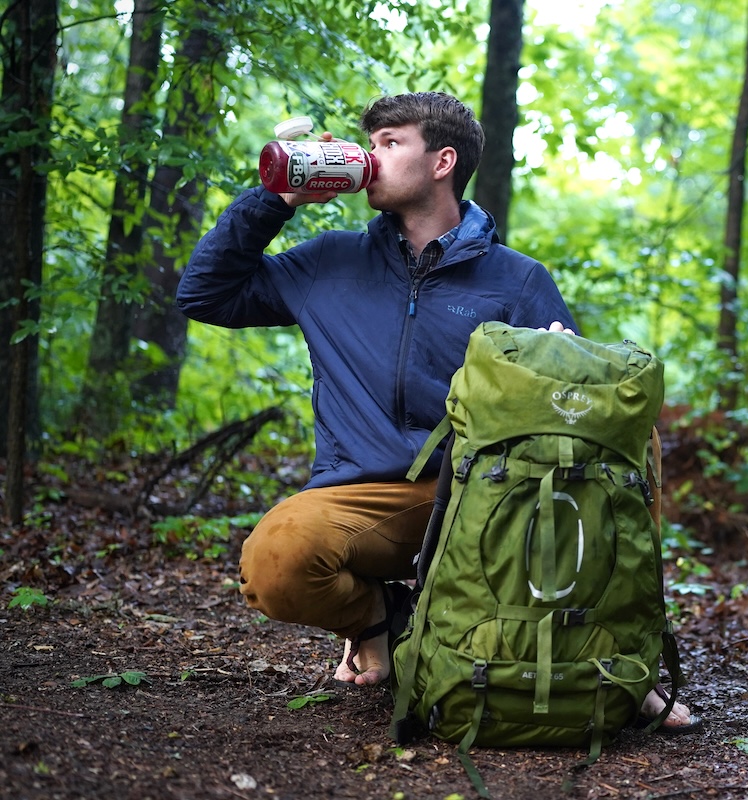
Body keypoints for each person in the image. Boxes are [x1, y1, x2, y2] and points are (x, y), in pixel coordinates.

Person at [177, 91, 695, 732]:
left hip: (485, 497)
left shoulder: (517, 281)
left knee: (621, 462)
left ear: (442, 160)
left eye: (390, 144)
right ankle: (382, 621)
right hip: (362, 495)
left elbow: (579, 421)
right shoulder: (328, 264)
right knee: (275, 562)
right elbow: (204, 293)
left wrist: (564, 365)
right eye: (370, 144)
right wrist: (278, 200)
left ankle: (615, 661)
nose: (371, 157)